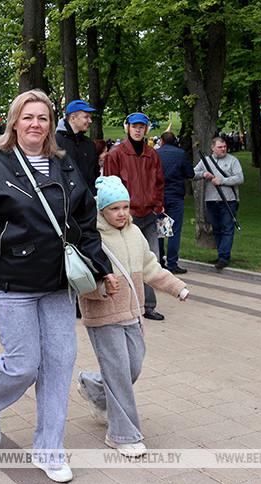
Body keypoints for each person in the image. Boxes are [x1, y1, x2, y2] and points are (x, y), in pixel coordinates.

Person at [0, 89, 117, 483]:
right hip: (11, 281)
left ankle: (49, 450)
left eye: (42, 117)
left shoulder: (64, 163)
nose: (35, 124)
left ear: (50, 123)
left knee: (59, 362)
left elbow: (85, 221)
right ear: (14, 122)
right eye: (27, 117)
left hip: (58, 282)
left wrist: (101, 268)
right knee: (23, 363)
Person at [76, 176, 189, 458]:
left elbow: (151, 267)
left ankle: (94, 388)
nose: (122, 213)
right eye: (114, 208)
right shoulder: (91, 236)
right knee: (118, 373)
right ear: (101, 210)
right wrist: (101, 288)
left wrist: (177, 287)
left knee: (132, 368)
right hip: (103, 315)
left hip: (133, 313)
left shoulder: (135, 233)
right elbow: (79, 279)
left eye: (126, 207)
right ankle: (122, 435)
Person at [104, 112, 166, 321]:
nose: (138, 130)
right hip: (125, 216)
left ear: (147, 129)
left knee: (150, 260)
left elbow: (159, 183)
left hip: (148, 214)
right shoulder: (116, 154)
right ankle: (123, 304)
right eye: (134, 126)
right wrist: (116, 213)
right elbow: (109, 185)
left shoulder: (152, 154)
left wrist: (157, 206)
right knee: (123, 261)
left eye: (142, 126)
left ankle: (148, 305)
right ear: (127, 128)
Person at [192, 137, 244, 269]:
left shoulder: (233, 160)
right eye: (220, 147)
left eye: (225, 146)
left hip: (228, 200)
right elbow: (192, 173)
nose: (223, 149)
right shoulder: (206, 161)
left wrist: (222, 181)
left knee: (227, 228)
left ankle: (224, 257)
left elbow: (239, 178)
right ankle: (221, 254)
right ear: (213, 148)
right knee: (216, 228)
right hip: (211, 199)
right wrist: (203, 174)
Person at [155, 131, 194, 274]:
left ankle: (159, 261)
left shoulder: (156, 154)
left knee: (161, 230)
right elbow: (190, 174)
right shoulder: (181, 153)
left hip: (160, 196)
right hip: (175, 196)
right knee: (174, 231)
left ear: (162, 141)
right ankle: (172, 263)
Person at [55, 100, 100, 195]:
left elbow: (95, 173)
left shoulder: (90, 144)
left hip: (89, 202)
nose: (90, 121)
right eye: (86, 117)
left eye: (90, 117)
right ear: (73, 118)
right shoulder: (54, 143)